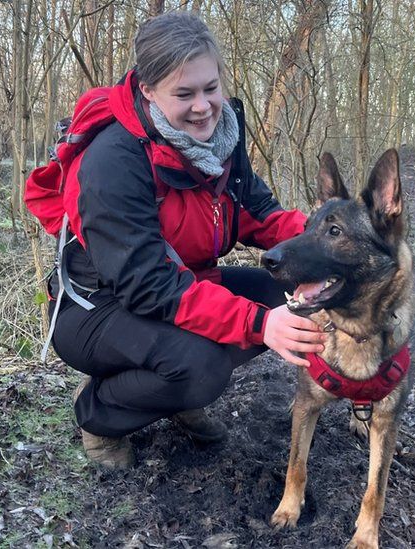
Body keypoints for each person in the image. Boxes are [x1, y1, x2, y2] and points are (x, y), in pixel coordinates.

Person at [49, 11, 325, 469]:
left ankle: (168, 395)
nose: (204, 106)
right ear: (148, 91)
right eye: (185, 93)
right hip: (99, 306)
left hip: (183, 284)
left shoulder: (222, 136)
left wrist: (330, 245)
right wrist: (260, 324)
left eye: (210, 88)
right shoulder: (114, 161)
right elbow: (150, 286)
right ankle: (100, 412)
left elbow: (259, 211)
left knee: (288, 296)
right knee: (201, 366)